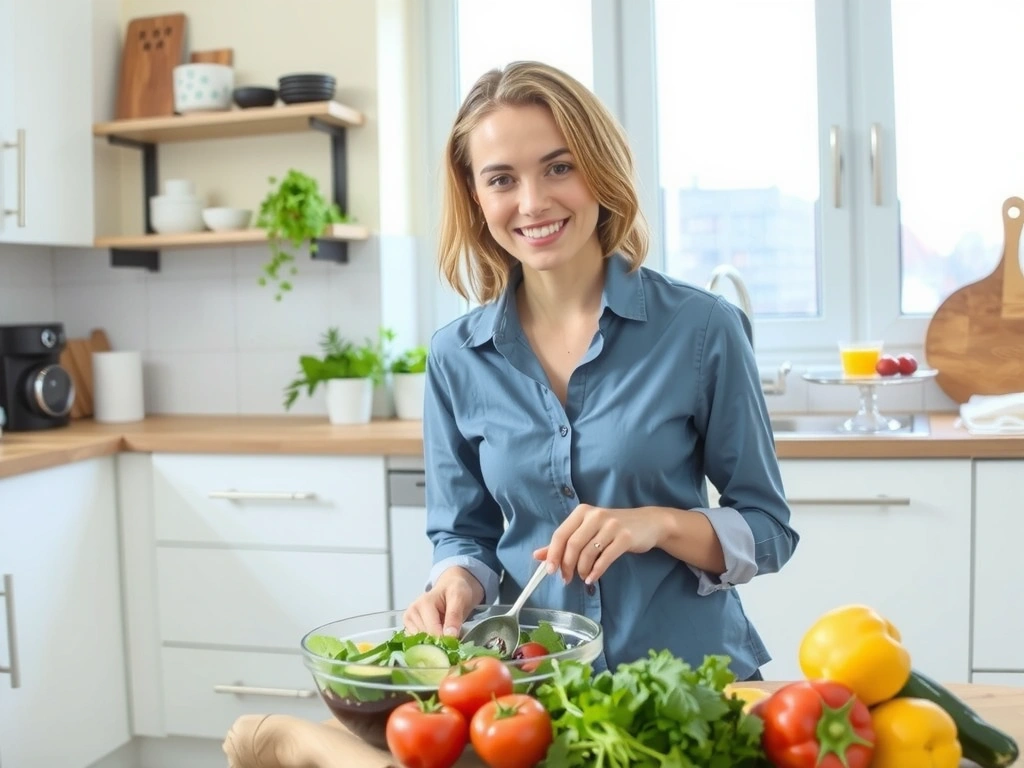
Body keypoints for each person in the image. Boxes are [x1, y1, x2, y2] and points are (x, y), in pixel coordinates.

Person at [402, 60, 798, 681]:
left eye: (559, 167)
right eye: (502, 179)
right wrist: (453, 581)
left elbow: (769, 531)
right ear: (477, 199)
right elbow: (463, 535)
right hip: (537, 691)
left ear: (600, 171)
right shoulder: (456, 356)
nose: (533, 202)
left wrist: (659, 524)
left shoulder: (701, 329)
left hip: (693, 685)